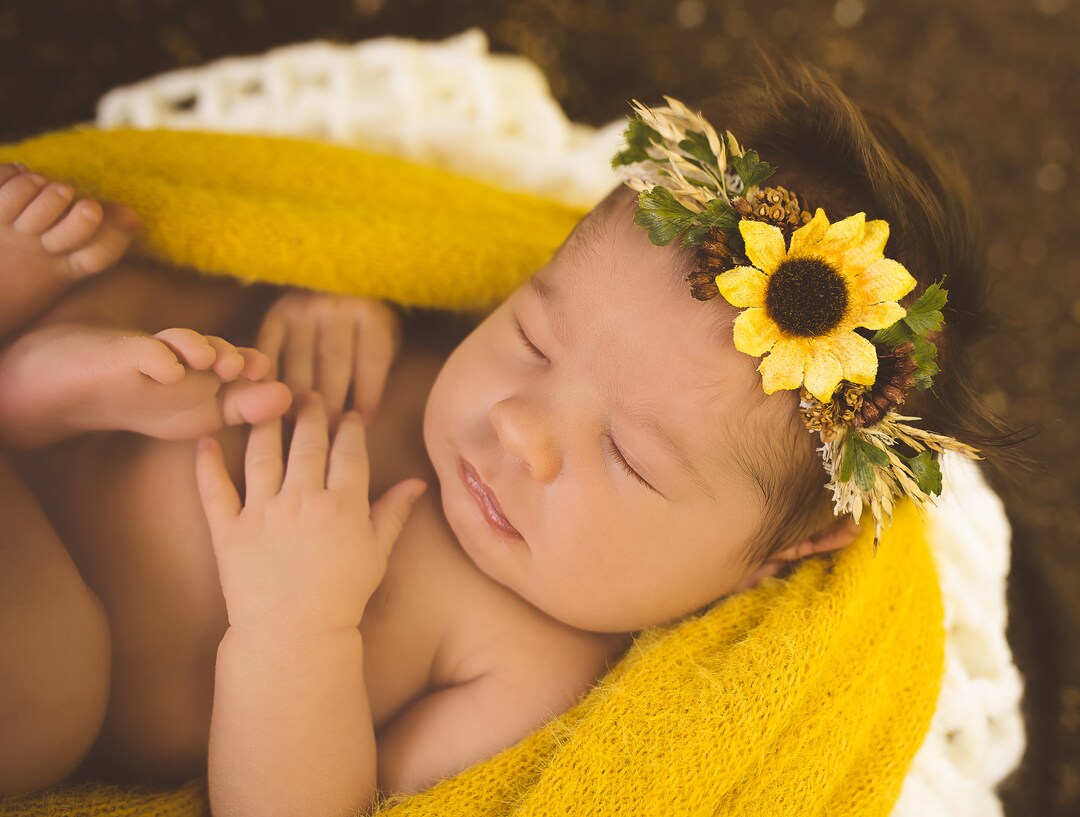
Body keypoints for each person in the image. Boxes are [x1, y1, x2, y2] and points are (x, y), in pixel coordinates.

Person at [0, 63, 1002, 817]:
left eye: (629, 458)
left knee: (48, 684)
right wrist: (337, 300)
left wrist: (291, 629)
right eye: (531, 332)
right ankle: (39, 376)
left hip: (51, 615)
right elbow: (340, 238)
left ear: (782, 553)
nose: (520, 424)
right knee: (149, 296)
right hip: (98, 430)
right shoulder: (444, 366)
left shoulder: (530, 663)